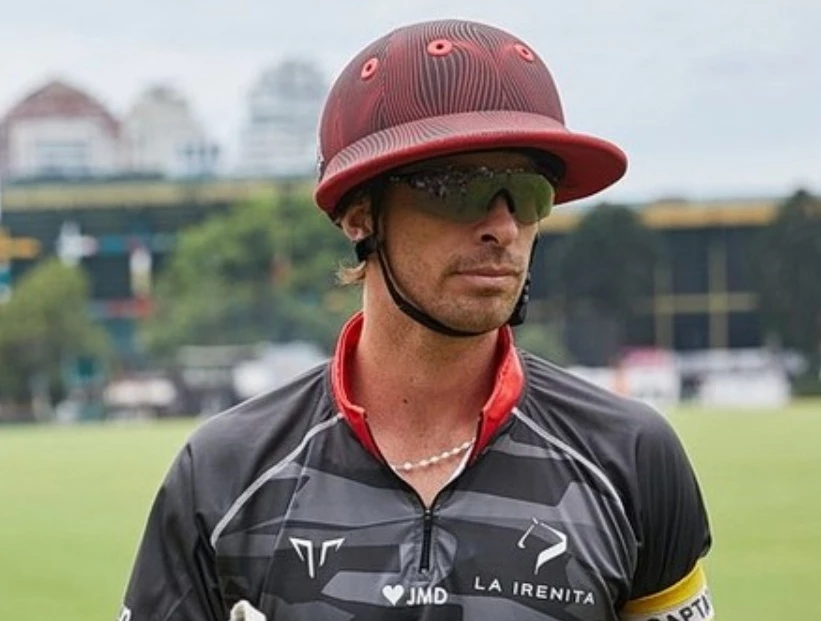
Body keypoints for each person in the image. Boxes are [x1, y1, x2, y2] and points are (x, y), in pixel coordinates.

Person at [119, 18, 714, 621]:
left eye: (529, 193)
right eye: (459, 188)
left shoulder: (631, 457)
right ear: (360, 213)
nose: (503, 227)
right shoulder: (222, 473)